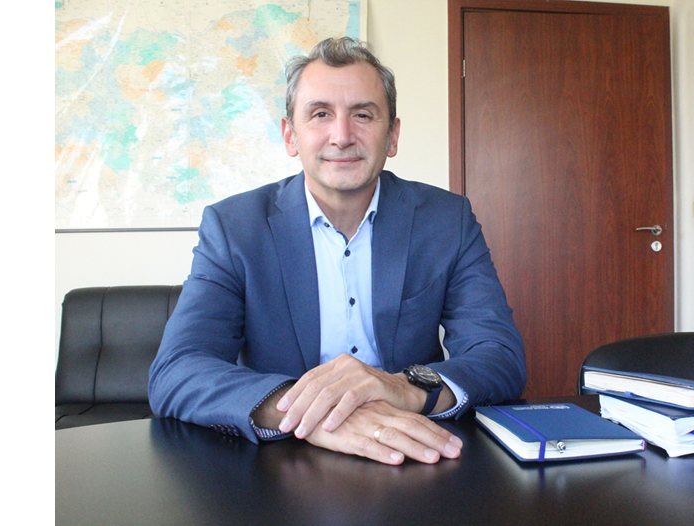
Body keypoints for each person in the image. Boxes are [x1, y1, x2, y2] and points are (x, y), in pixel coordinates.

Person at [148, 37, 526, 466]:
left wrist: (403, 388)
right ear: (290, 135)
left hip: (418, 453)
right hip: (281, 462)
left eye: (363, 115)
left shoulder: (446, 220)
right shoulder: (234, 227)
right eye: (320, 114)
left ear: (392, 136)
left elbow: (500, 357)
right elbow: (178, 369)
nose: (342, 136)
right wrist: (315, 412)